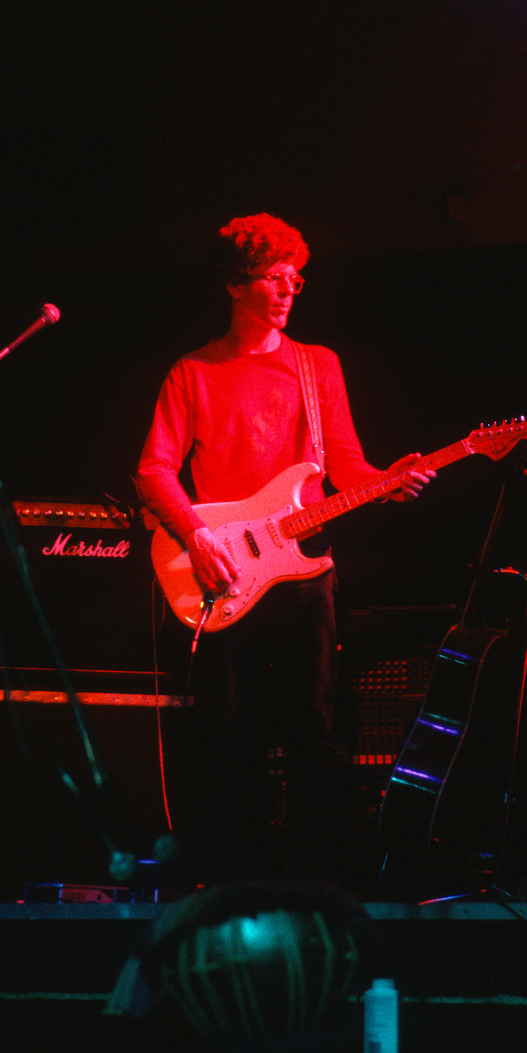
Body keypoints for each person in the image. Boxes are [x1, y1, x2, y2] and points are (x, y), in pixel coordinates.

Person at [136, 213, 433, 883]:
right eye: (275, 277)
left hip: (302, 573)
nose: (290, 289)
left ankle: (316, 882)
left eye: (296, 278)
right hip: (224, 572)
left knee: (315, 731)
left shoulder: (316, 365)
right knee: (228, 730)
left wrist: (388, 481)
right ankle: (231, 881)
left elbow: (345, 466)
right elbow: (153, 470)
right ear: (238, 285)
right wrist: (197, 536)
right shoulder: (193, 371)